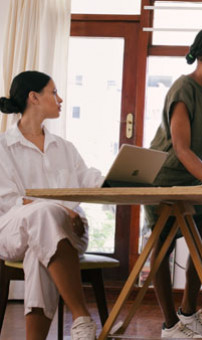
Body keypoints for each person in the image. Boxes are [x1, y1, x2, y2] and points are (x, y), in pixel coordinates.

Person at [143, 27, 202, 339]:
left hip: (194, 176)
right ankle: (170, 326)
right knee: (163, 247)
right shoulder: (183, 88)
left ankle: (188, 313)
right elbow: (181, 148)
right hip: (165, 177)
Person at [0, 71, 103, 340]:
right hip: (12, 232)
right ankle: (81, 315)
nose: (60, 99)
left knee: (39, 253)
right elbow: (8, 200)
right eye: (53, 92)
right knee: (47, 214)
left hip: (67, 234)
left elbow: (91, 181)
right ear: (33, 97)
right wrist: (61, 210)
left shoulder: (65, 148)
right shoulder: (2, 148)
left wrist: (127, 179)